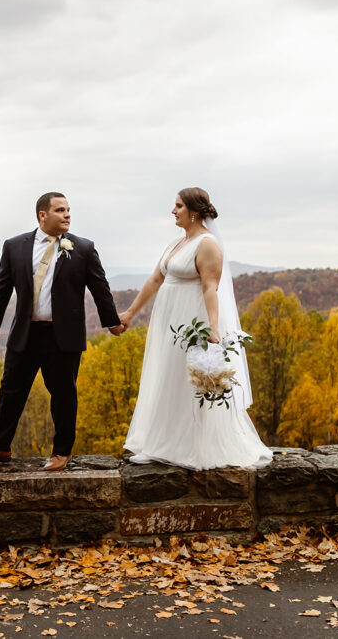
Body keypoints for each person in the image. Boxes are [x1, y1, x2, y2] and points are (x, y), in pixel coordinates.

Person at [119, 187, 272, 470]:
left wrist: (213, 328)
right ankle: (158, 443)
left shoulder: (208, 244)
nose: (173, 211)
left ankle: (189, 447)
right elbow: (155, 280)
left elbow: (210, 287)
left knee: (185, 380)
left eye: (178, 206)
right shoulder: (175, 244)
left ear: (194, 211)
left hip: (192, 321)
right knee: (165, 375)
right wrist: (130, 313)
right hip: (168, 322)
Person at [0, 192, 124, 471]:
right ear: (43, 215)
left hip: (62, 336)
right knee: (10, 391)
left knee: (64, 394)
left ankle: (61, 453)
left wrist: (111, 321)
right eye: (60, 210)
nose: (67, 215)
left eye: (68, 210)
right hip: (25, 333)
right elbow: (2, 283)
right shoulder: (14, 246)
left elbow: (100, 288)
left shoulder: (83, 248)